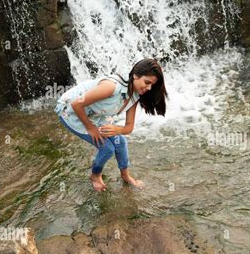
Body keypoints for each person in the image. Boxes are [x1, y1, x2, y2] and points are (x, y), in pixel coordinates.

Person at [54, 58, 168, 191]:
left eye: (152, 85)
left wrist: (116, 129)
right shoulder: (111, 87)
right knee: (107, 148)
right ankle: (95, 176)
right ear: (136, 76)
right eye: (147, 82)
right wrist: (91, 129)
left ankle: (125, 176)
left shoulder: (135, 96)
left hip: (94, 114)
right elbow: (76, 104)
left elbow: (128, 127)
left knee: (121, 143)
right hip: (71, 112)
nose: (149, 88)